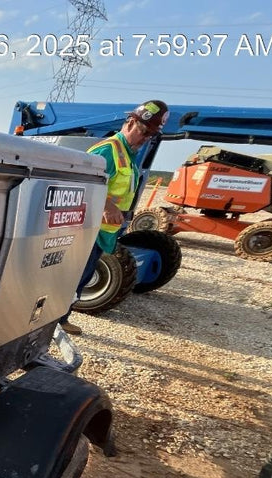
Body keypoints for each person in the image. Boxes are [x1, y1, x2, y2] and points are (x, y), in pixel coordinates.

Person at [60, 99, 169, 335]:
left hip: (103, 231)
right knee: (72, 277)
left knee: (81, 277)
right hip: (88, 229)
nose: (145, 138)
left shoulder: (127, 155)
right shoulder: (107, 150)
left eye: (151, 135)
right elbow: (81, 182)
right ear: (130, 123)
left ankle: (60, 319)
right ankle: (54, 321)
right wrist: (107, 204)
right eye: (144, 131)